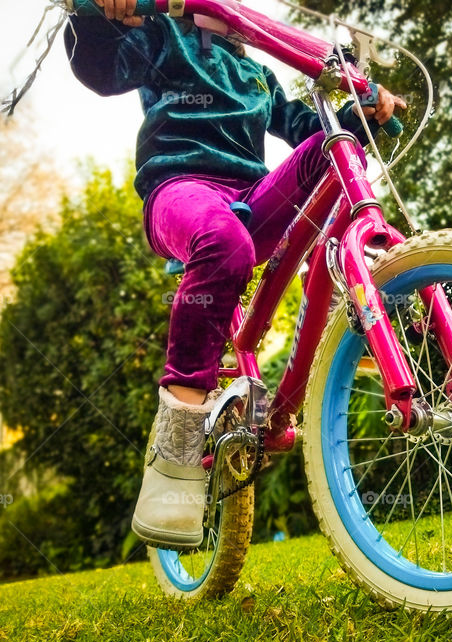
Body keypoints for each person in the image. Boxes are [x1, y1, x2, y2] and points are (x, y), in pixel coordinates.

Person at [65, 0, 405, 549]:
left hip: (251, 200)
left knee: (330, 146)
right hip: (180, 191)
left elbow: (301, 126)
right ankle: (176, 443)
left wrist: (371, 111)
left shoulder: (256, 73)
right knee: (224, 243)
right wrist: (94, 12)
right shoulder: (159, 37)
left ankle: (361, 276)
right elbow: (102, 69)